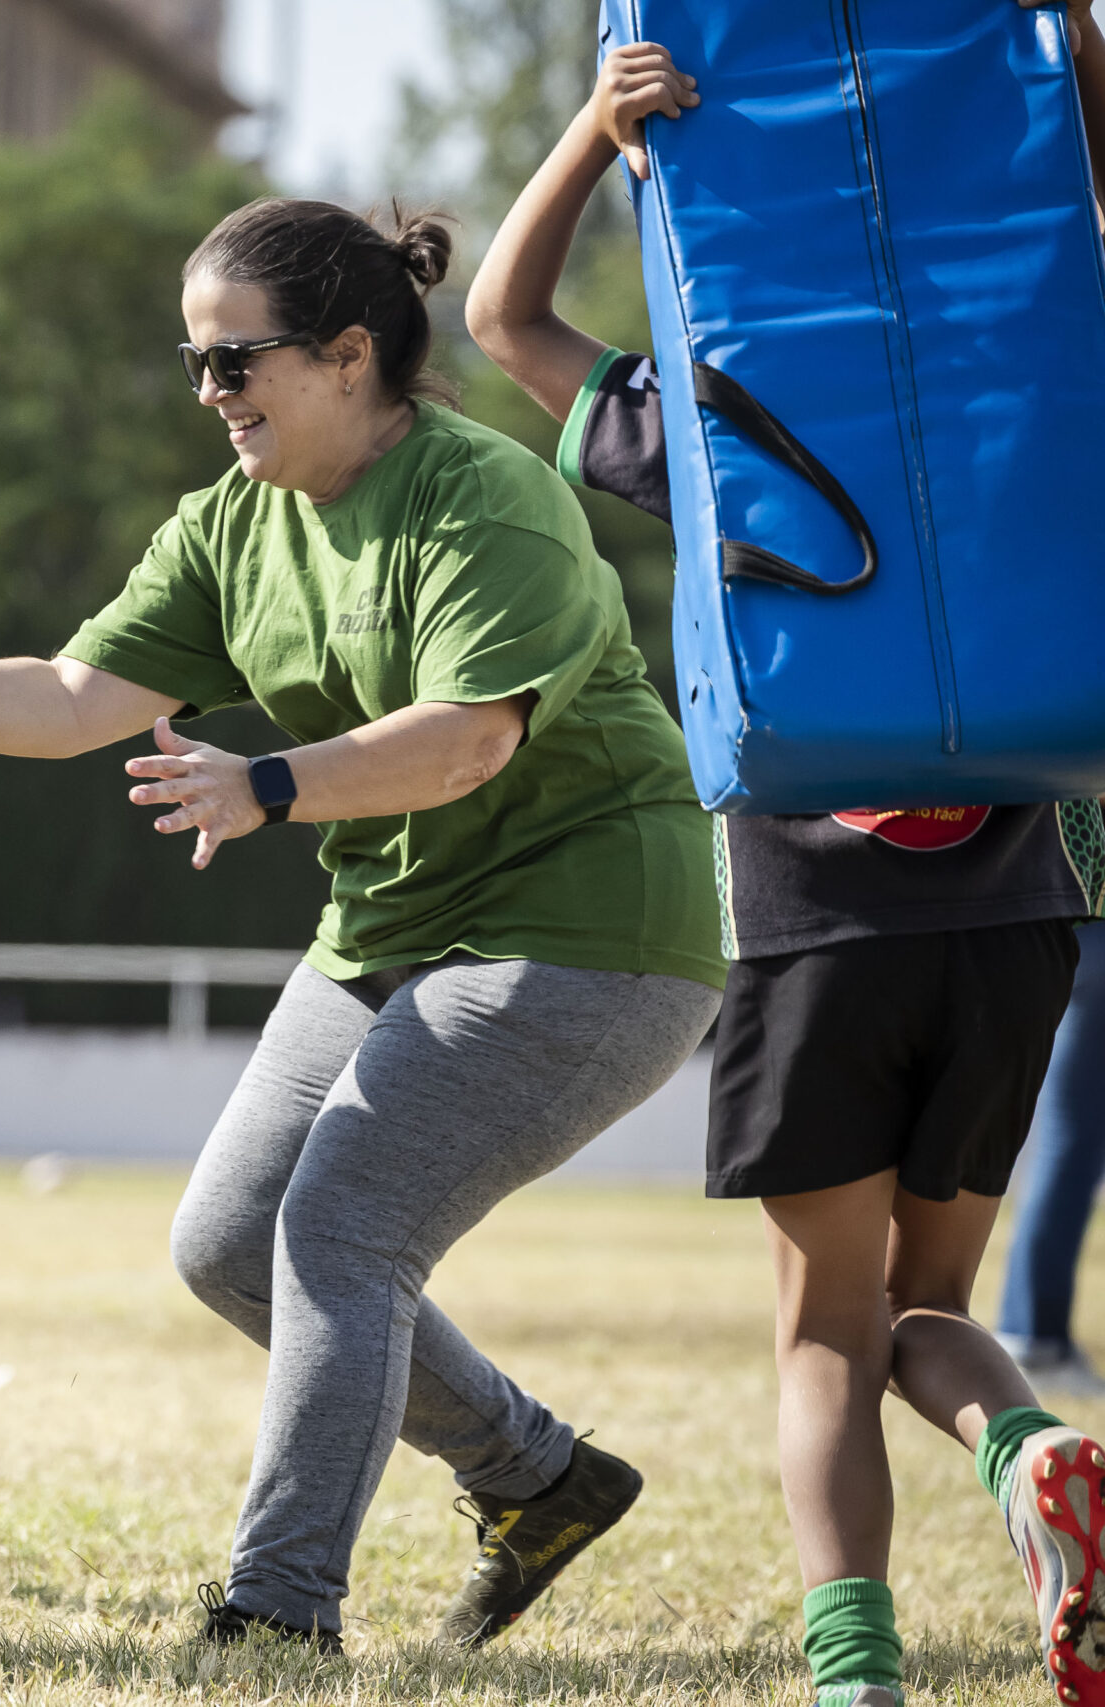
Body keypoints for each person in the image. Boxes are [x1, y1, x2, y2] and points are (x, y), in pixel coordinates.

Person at [0, 197, 727, 1652]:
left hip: (590, 928)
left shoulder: (486, 496)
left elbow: (469, 737)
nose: (209, 394)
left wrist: (267, 781)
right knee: (227, 1243)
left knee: (341, 1227)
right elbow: (74, 698)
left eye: (236, 361)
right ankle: (539, 1475)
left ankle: (276, 1616)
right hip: (397, 923)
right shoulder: (235, 521)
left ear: (350, 357)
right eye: (195, 363)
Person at [466, 17, 1105, 1701]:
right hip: (1022, 913)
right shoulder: (1022, 401)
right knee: (930, 1308)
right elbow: (1091, 239)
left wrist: (603, 136)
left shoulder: (711, 413)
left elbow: (503, 321)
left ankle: (853, 1672)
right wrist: (1069, 60)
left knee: (826, 1329)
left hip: (817, 934)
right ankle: (1036, 1456)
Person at [1002, 921, 1105, 1394]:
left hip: (1066, 934)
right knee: (1070, 1141)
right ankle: (1034, 1334)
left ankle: (1032, 1330)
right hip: (1092, 939)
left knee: (1064, 1138)